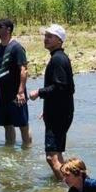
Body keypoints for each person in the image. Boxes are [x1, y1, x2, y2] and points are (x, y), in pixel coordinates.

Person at [30, 23, 75, 178]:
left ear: (59, 40)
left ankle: (68, 187)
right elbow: (70, 89)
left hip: (58, 115)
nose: (45, 39)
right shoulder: (61, 58)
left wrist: (39, 92)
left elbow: (60, 87)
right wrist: (48, 107)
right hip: (60, 112)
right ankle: (73, 184)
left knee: (51, 157)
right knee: (58, 154)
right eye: (45, 36)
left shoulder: (57, 60)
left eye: (50, 36)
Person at [0, 18, 31, 146]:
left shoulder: (17, 48)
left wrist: (21, 92)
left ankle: (27, 153)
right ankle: (9, 152)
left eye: (0, 27)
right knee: (7, 125)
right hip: (3, 95)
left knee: (23, 125)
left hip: (16, 94)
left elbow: (23, 71)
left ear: (8, 29)